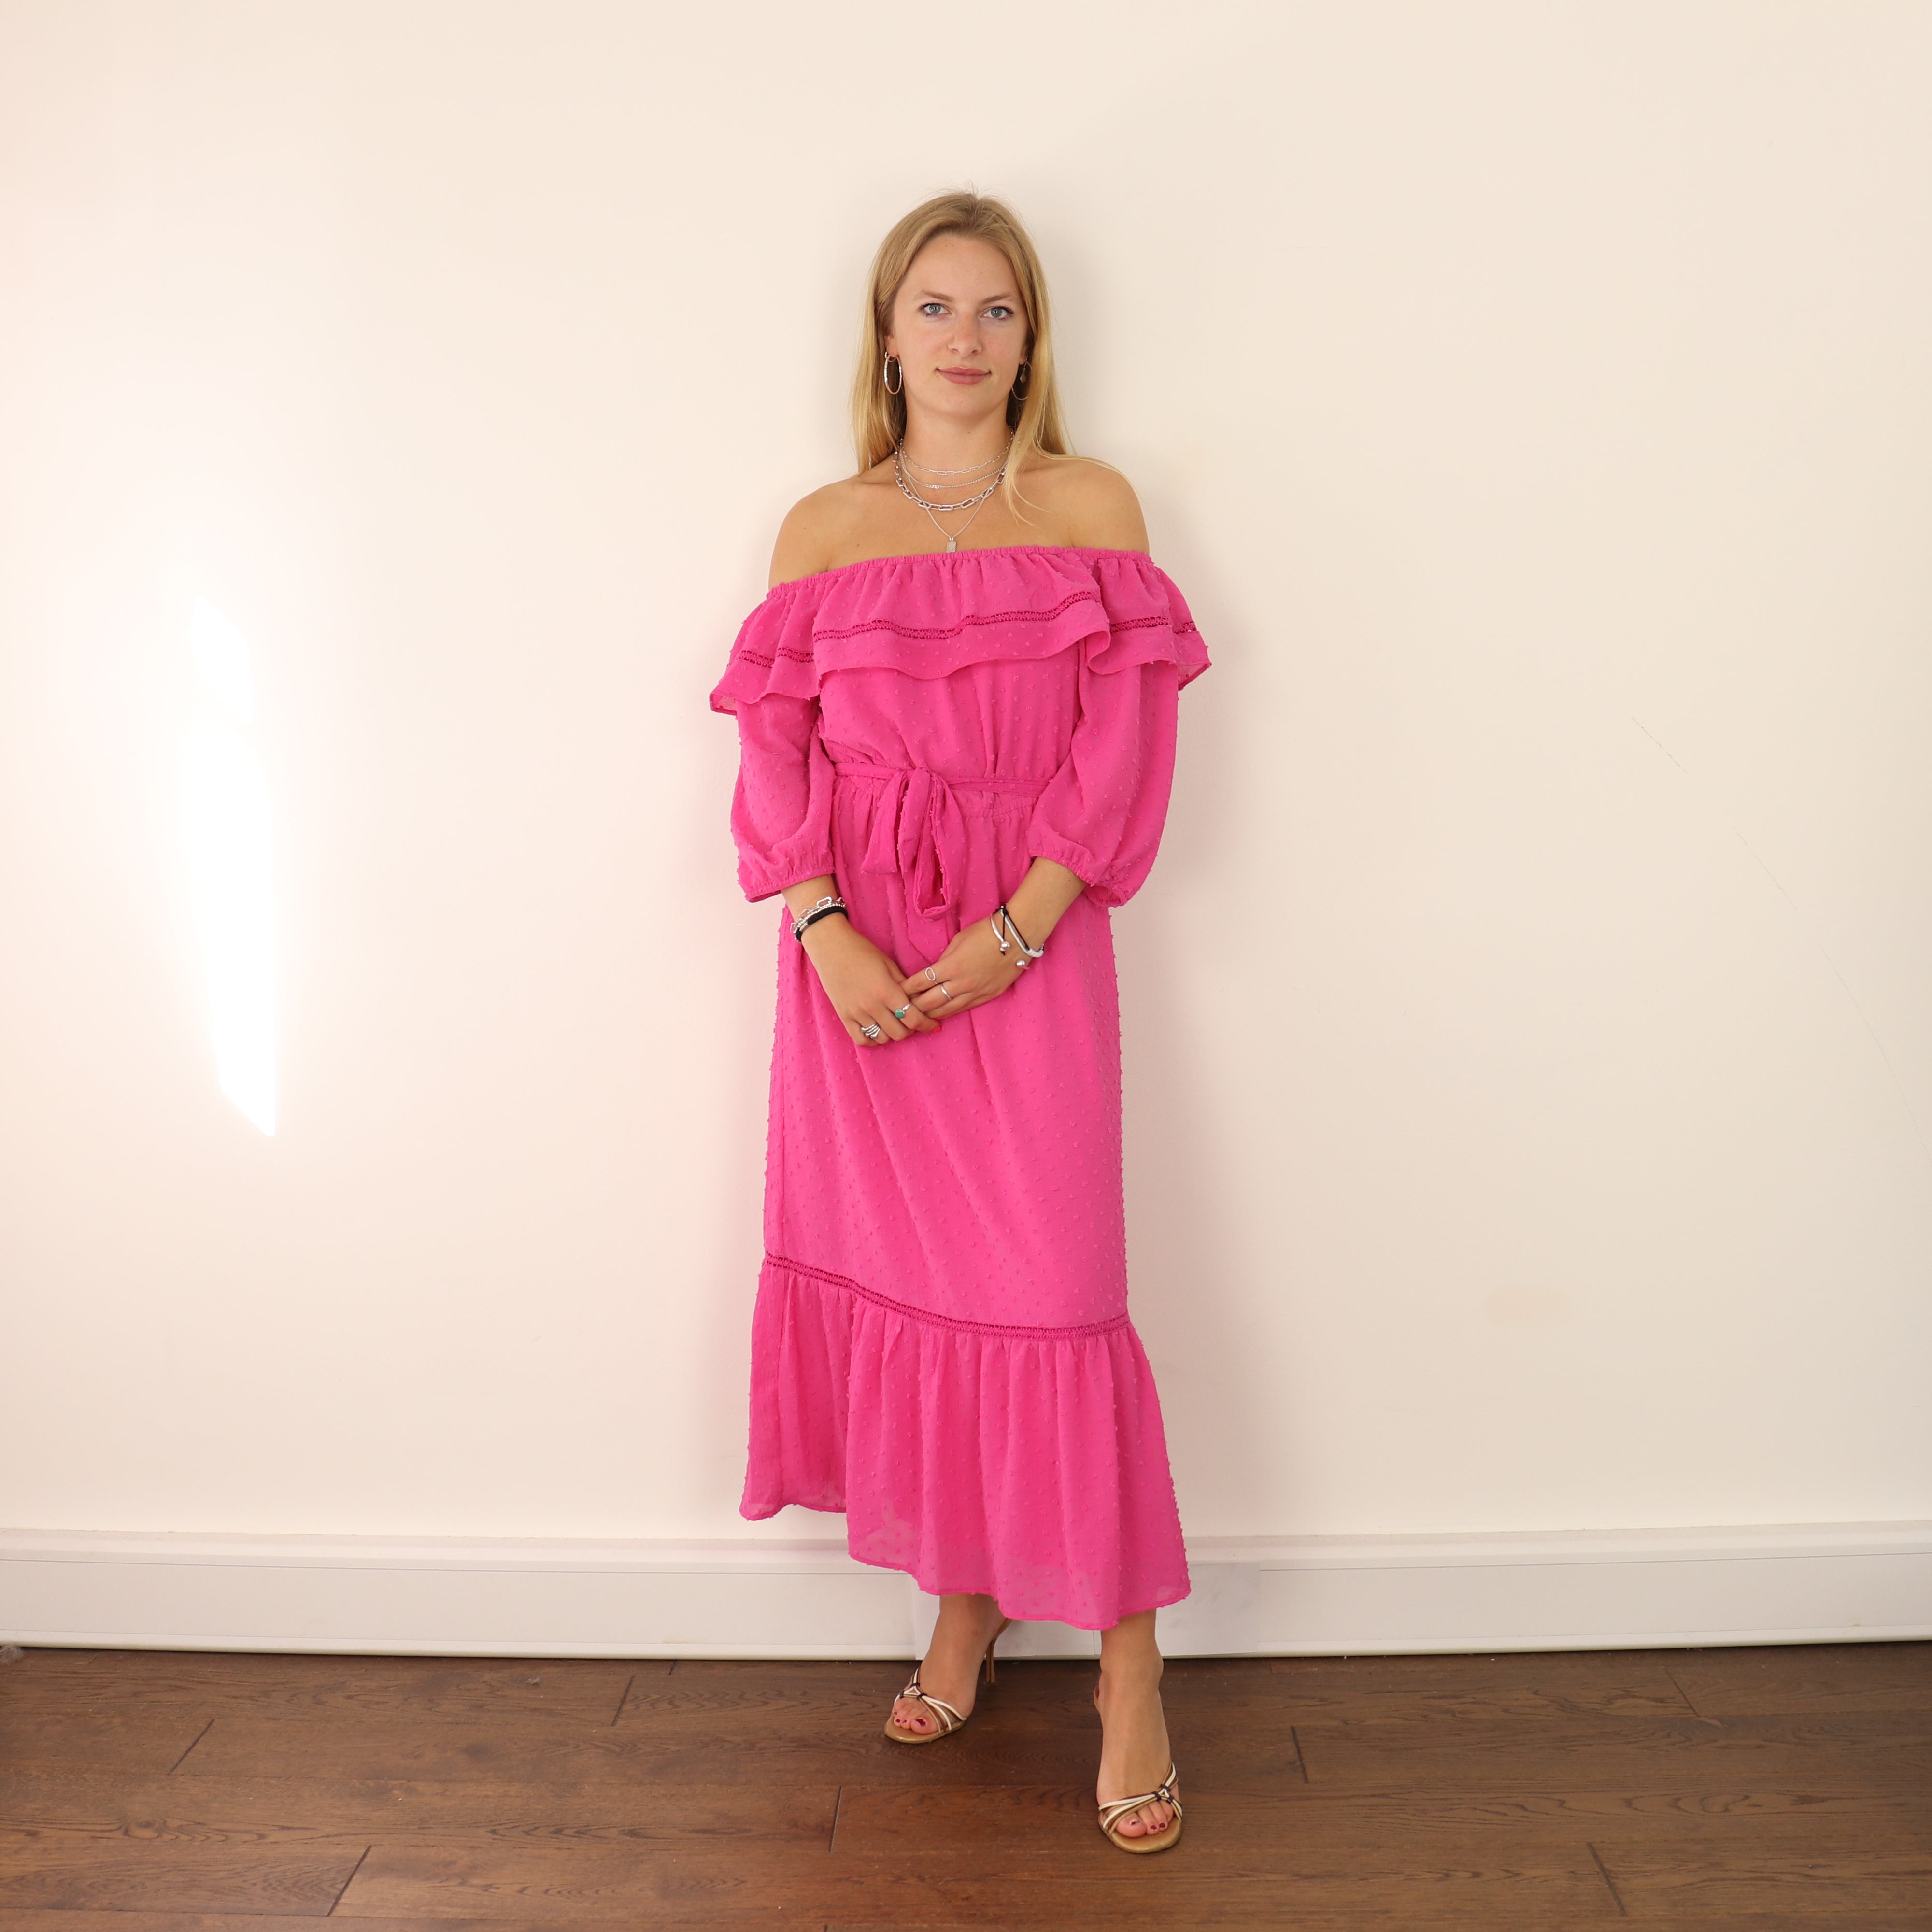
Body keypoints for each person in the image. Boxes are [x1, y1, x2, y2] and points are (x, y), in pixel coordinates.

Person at [710, 191, 1209, 1852]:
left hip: (1029, 942)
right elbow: (773, 754)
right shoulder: (822, 530)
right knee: (918, 1288)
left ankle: (1129, 1668)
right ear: (885, 334)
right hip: (858, 966)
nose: (965, 339)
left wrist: (1021, 928)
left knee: (1054, 1295)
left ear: (1031, 337)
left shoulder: (1089, 505)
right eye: (934, 307)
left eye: (997, 310)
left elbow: (1123, 750)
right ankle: (965, 1602)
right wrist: (824, 928)